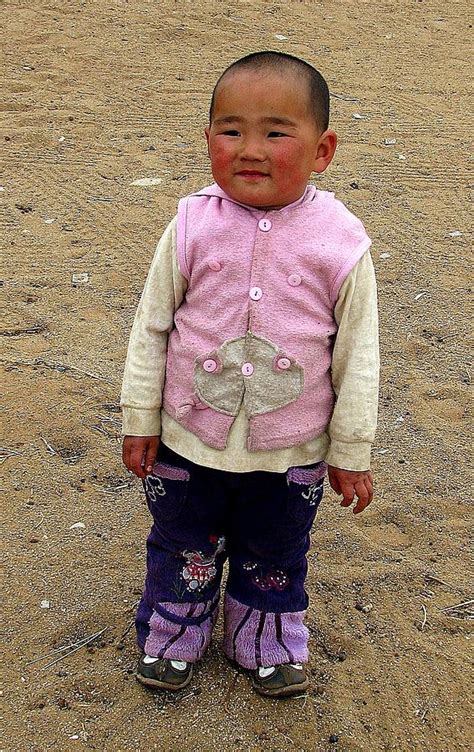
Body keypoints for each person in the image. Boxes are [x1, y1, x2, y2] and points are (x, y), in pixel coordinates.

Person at [121, 51, 379, 698]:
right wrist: (140, 419)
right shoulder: (188, 226)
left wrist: (350, 450)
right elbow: (152, 327)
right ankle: (176, 633)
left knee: (275, 555)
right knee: (183, 545)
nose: (250, 150)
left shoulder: (342, 242)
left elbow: (359, 355)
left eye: (276, 132)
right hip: (187, 441)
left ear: (322, 150)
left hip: (291, 453)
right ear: (207, 138)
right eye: (230, 131)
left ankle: (264, 639)